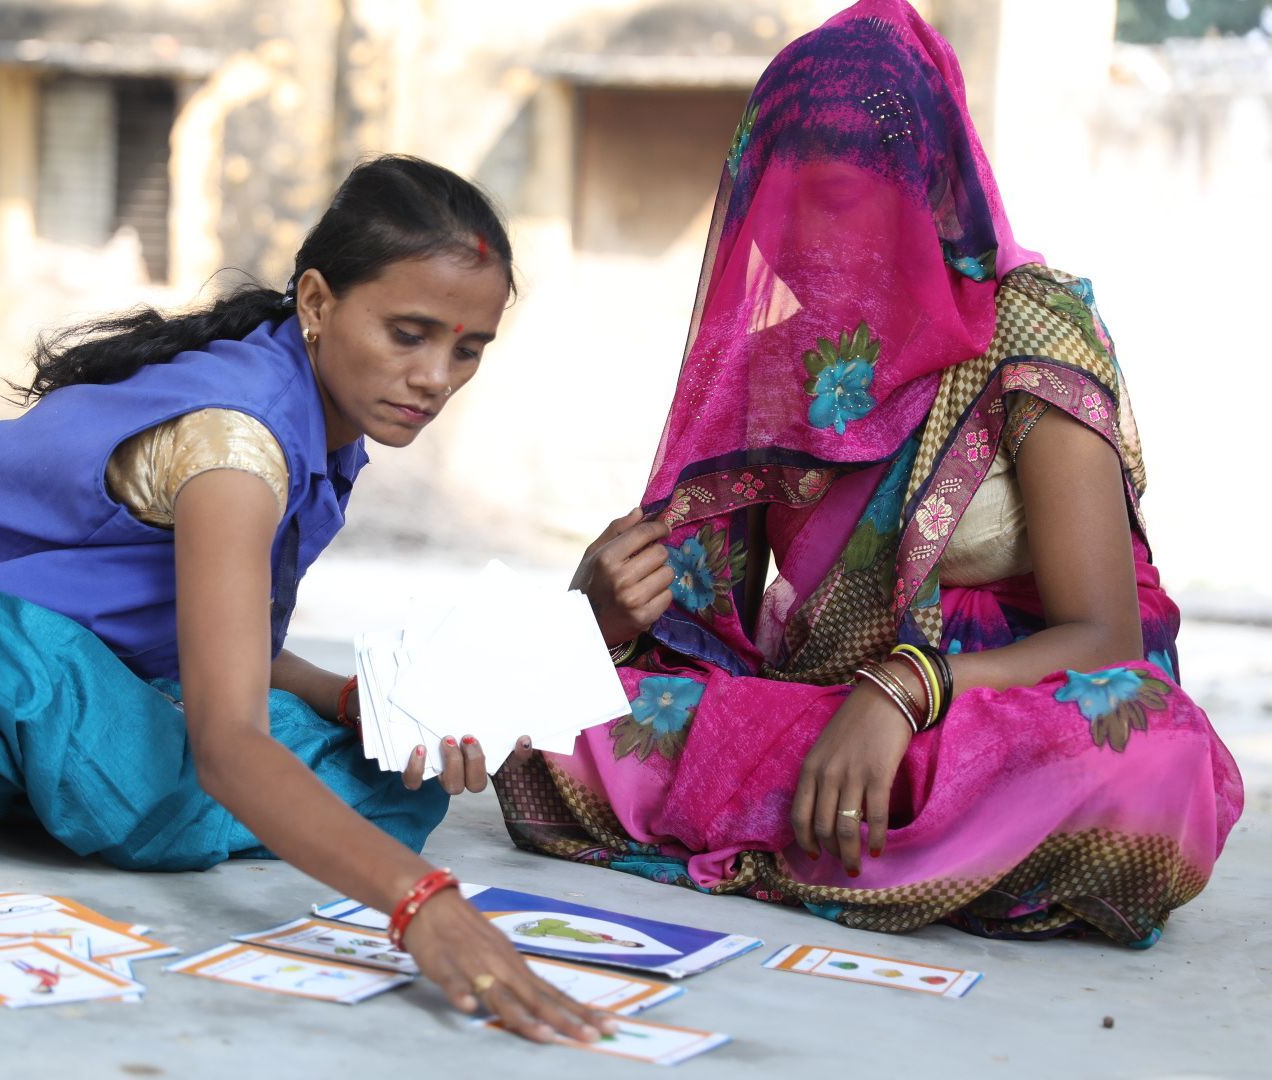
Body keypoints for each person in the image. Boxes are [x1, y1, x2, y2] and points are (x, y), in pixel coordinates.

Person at [0, 155, 614, 1040]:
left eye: (469, 349)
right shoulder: (236, 445)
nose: (436, 378)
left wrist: (362, 705)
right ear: (316, 303)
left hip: (80, 682)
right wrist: (421, 906)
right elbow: (225, 744)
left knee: (387, 778)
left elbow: (224, 653)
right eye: (408, 333)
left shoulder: (319, 429)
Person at [496, 0, 1242, 948]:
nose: (814, 247)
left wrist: (902, 692)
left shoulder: (1028, 331)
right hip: (819, 712)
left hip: (992, 714)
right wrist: (599, 609)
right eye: (786, 205)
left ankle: (826, 826)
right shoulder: (777, 363)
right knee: (554, 727)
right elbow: (692, 634)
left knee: (1155, 761)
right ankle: (895, 843)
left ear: (925, 191)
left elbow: (1104, 637)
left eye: (841, 203)